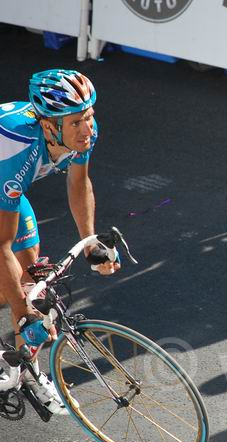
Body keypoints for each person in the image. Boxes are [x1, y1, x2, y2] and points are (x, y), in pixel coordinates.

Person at [0, 69, 119, 414]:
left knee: (30, 278)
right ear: (50, 126)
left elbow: (79, 182)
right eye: (77, 122)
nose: (87, 129)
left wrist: (90, 242)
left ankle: (28, 375)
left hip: (9, 190)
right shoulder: (16, 153)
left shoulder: (82, 132)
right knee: (19, 299)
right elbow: (2, 245)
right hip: (3, 179)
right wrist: (22, 314)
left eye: (89, 117)